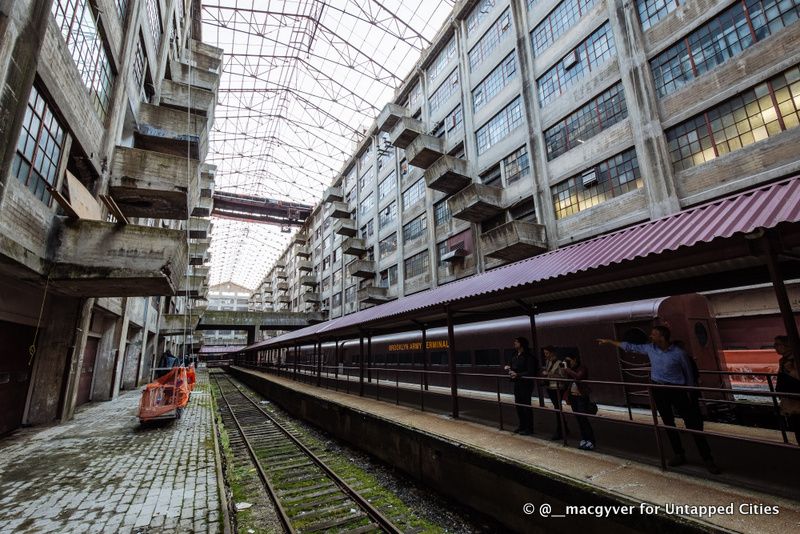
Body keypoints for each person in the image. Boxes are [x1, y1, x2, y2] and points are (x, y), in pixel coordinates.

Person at [598, 326, 721, 474]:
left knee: (692, 423)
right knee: (668, 422)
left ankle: (707, 458)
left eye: (654, 334)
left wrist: (691, 393)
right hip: (659, 389)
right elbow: (631, 347)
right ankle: (679, 454)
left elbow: (689, 375)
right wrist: (610, 341)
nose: (651, 336)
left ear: (662, 337)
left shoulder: (679, 354)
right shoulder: (651, 349)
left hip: (677, 390)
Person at [562, 353, 595, 450]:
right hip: (573, 397)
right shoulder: (570, 370)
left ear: (575, 359)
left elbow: (578, 377)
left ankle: (591, 440)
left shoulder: (582, 368)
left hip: (581, 397)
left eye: (569, 360)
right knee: (579, 419)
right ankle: (584, 438)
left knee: (583, 419)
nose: (568, 363)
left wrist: (567, 369)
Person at [505, 337, 536, 435]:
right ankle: (522, 425)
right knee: (518, 405)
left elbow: (531, 371)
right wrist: (509, 368)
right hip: (517, 383)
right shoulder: (515, 355)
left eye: (516, 342)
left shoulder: (528, 356)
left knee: (526, 406)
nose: (514, 343)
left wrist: (518, 374)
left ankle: (529, 428)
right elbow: (514, 366)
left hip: (526, 384)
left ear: (522, 344)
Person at [774, 335, 800, 445]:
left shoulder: (795, 359)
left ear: (787, 345)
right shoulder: (784, 361)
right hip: (790, 400)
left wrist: (790, 371)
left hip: (796, 402)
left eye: (777, 344)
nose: (775, 347)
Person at [541, 346, 567, 440]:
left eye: (547, 353)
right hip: (550, 387)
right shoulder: (548, 362)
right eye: (545, 353)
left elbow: (564, 377)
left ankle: (561, 430)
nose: (545, 355)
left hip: (558, 388)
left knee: (557, 408)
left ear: (552, 353)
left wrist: (549, 374)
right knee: (557, 408)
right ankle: (564, 427)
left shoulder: (560, 363)